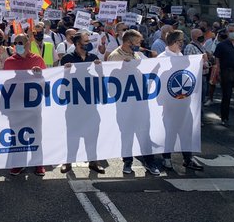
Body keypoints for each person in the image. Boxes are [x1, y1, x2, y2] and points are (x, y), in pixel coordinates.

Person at [108, 29, 161, 176]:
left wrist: (154, 60)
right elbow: (112, 80)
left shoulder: (136, 54)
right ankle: (127, 162)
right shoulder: (115, 57)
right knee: (127, 133)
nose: (139, 45)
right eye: (137, 42)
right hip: (124, 102)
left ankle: (150, 162)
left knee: (144, 132)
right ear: (128, 42)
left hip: (140, 101)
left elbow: (147, 68)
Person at [158, 30, 203, 171]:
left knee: (186, 131)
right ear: (174, 42)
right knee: (170, 131)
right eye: (180, 41)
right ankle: (166, 158)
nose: (182, 44)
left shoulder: (181, 55)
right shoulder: (162, 58)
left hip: (184, 101)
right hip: (169, 104)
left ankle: (188, 158)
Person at [60, 31, 105, 174]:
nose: (88, 44)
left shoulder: (93, 57)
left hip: (90, 104)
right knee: (72, 135)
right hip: (74, 104)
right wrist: (66, 72)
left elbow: (100, 80)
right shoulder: (68, 58)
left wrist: (100, 71)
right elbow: (63, 81)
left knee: (92, 134)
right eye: (85, 42)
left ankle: (93, 161)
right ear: (77, 43)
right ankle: (68, 161)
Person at [4, 33, 47, 176]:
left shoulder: (37, 60)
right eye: (16, 43)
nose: (18, 45)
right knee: (17, 135)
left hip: (33, 106)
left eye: (21, 42)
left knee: (36, 135)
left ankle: (38, 163)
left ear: (28, 43)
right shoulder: (9, 62)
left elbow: (46, 83)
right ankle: (19, 163)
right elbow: (3, 83)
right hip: (15, 106)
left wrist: (38, 76)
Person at [183, 28, 211, 105]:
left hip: (203, 75)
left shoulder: (201, 45)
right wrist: (201, 65)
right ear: (195, 37)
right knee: (197, 99)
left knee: (202, 97)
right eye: (200, 35)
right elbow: (188, 62)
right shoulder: (190, 47)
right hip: (197, 77)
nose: (202, 36)